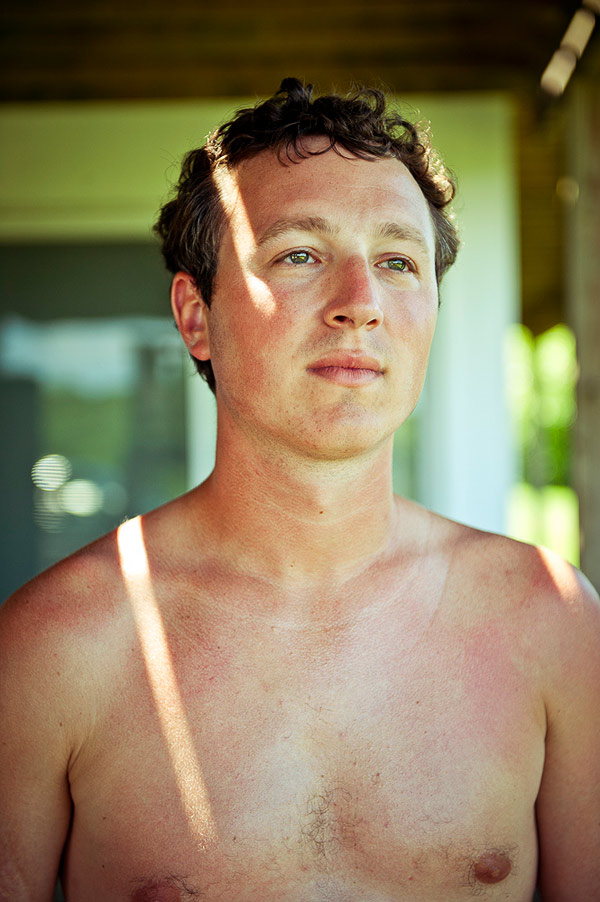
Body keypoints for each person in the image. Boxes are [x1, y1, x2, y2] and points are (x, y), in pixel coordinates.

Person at [0, 77, 598, 902]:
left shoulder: (553, 623)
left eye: (397, 262)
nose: (361, 304)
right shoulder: (54, 649)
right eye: (300, 255)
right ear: (196, 315)